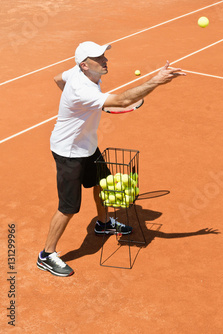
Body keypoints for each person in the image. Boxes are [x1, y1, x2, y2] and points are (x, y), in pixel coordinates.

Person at [37, 41, 185, 277]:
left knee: (101, 185)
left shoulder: (78, 72)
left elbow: (58, 79)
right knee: (68, 207)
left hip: (87, 146)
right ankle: (46, 254)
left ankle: (103, 223)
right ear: (85, 65)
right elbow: (124, 100)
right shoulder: (82, 89)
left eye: (104, 55)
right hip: (69, 152)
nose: (105, 60)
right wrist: (156, 80)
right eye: (99, 58)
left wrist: (82, 108)